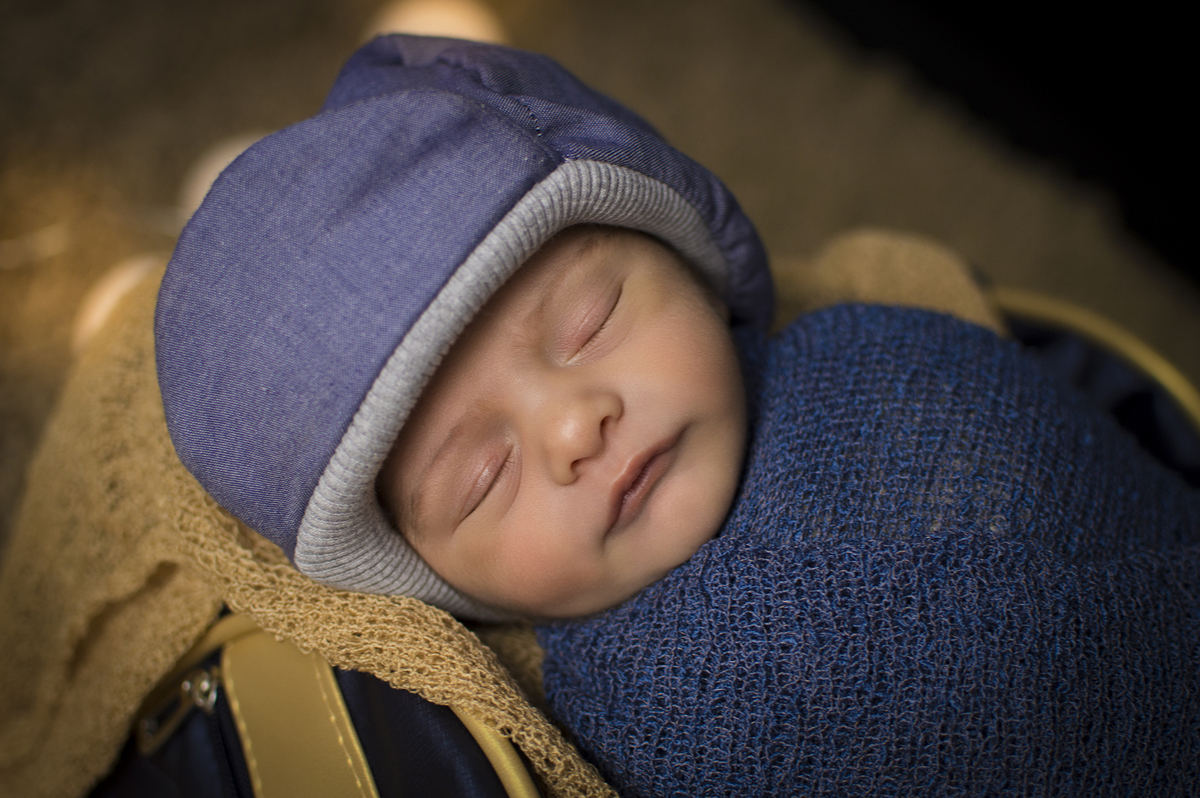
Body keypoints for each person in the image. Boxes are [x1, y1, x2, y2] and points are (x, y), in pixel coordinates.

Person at [157, 33, 1200, 797]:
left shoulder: (883, 349)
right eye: (481, 476)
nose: (576, 429)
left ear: (687, 257)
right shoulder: (640, 711)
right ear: (436, 587)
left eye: (589, 321)